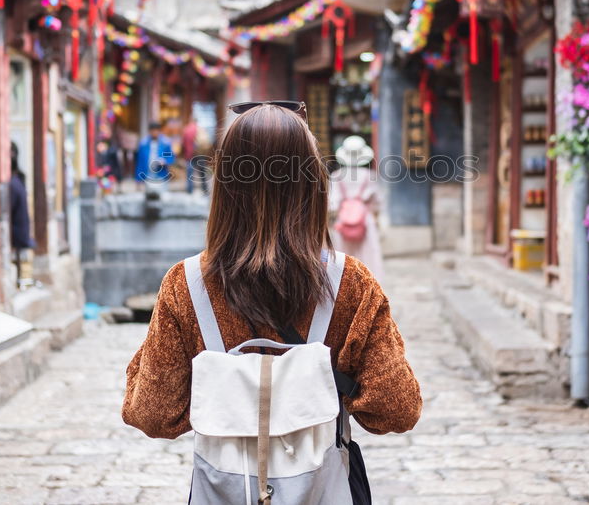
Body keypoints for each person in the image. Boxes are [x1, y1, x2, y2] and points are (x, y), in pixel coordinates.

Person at [122, 101, 421, 501]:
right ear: (314, 184)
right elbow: (396, 409)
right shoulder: (350, 285)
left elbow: (152, 413)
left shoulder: (187, 285)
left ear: (224, 188)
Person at [330, 136, 384, 281]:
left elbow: (333, 204)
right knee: (367, 256)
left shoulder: (336, 176)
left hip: (344, 221)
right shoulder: (370, 176)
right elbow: (377, 202)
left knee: (344, 258)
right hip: (365, 221)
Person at [9, 142, 35, 287]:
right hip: (21, 230)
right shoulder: (18, 179)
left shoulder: (14, 183)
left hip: (18, 232)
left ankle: (20, 280)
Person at [134, 122, 174, 187]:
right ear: (150, 131)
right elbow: (140, 162)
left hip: (161, 175)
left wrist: (164, 161)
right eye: (153, 131)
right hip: (147, 175)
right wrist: (138, 179)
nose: (155, 133)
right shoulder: (144, 144)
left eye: (156, 131)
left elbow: (170, 157)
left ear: (159, 131)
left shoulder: (165, 143)